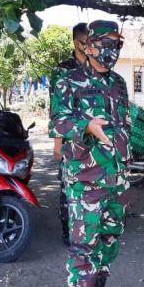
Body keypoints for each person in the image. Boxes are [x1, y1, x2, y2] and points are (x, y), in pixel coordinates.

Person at [51, 20, 130, 287]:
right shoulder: (68, 79)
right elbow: (58, 122)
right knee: (84, 241)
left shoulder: (119, 83)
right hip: (85, 176)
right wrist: (86, 126)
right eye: (107, 43)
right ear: (90, 45)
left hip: (117, 176)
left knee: (110, 235)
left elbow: (123, 122)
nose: (113, 50)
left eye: (117, 44)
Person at [49, 22, 89, 246]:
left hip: (93, 138)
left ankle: (89, 228)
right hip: (70, 136)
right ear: (76, 42)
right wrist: (57, 143)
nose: (89, 47)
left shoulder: (96, 66)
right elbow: (57, 108)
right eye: (85, 42)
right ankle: (68, 231)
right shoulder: (63, 70)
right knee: (68, 185)